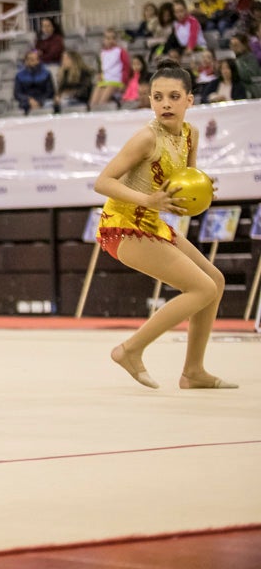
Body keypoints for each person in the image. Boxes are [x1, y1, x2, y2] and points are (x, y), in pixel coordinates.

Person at [94, 59, 234, 391]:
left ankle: (193, 371)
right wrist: (148, 200)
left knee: (215, 280)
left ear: (189, 100)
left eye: (173, 97)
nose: (165, 104)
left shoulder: (190, 134)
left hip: (152, 223)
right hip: (122, 226)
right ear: (150, 101)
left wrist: (201, 190)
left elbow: (187, 179)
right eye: (158, 98)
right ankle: (130, 349)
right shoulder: (145, 138)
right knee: (202, 288)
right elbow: (102, 182)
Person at [89, 28, 131, 109]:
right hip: (105, 80)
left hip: (116, 81)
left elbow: (126, 68)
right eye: (108, 38)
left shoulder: (120, 51)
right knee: (93, 103)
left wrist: (124, 83)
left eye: (113, 38)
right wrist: (100, 75)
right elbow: (103, 68)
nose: (111, 41)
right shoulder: (102, 52)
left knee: (102, 103)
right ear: (104, 40)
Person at [12, 49, 55, 114]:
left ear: (38, 60)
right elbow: (17, 93)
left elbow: (50, 92)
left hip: (44, 101)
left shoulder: (46, 74)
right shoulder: (19, 75)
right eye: (28, 59)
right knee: (22, 106)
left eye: (32, 59)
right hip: (26, 102)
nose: (30, 61)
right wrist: (29, 100)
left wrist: (39, 102)